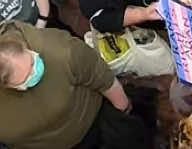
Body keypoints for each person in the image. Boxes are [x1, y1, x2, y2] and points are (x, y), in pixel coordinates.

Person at [0, 22, 148, 149]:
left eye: (32, 62)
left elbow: (100, 75)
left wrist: (122, 107)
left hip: (97, 120)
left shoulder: (62, 51)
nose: (35, 71)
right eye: (27, 78)